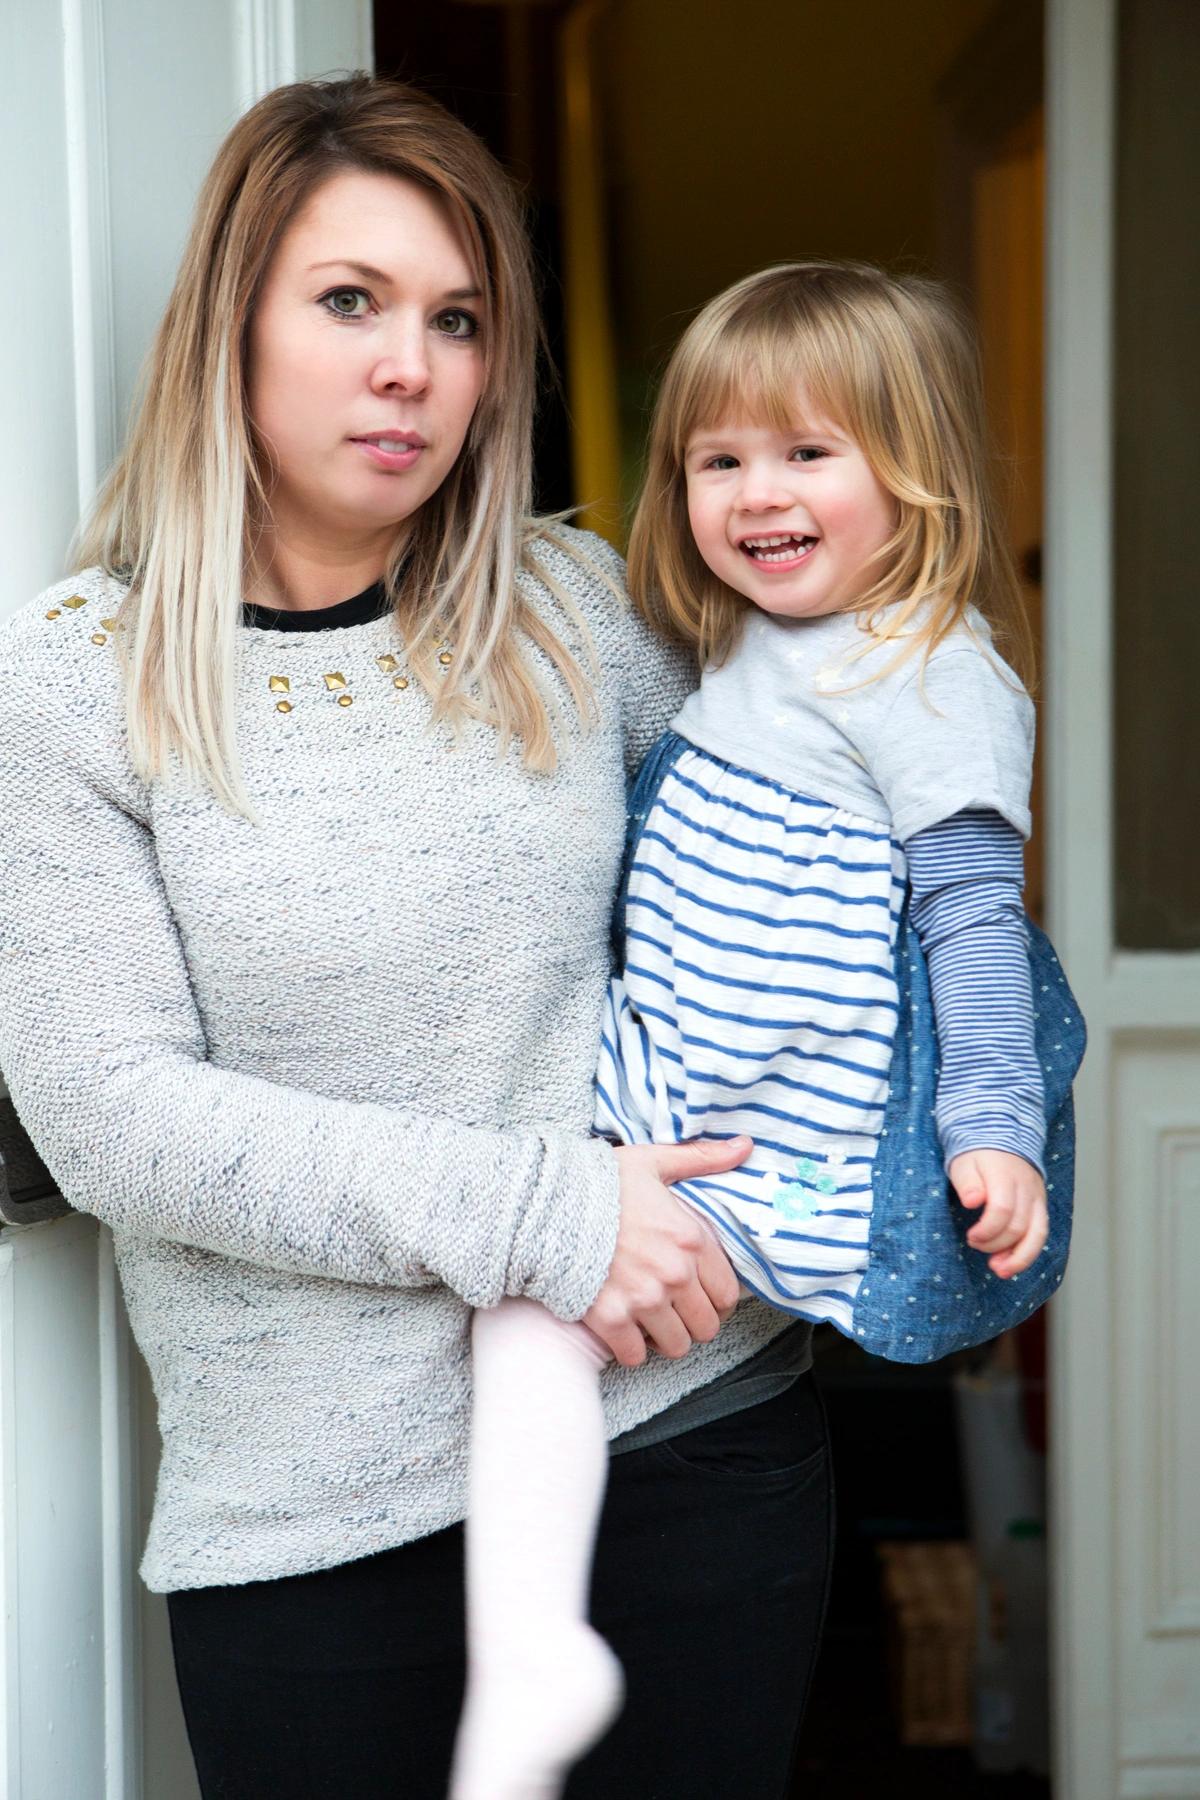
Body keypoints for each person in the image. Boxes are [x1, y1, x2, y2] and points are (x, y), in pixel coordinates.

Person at [0, 79, 835, 1800]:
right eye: (351, 302)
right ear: (227, 323)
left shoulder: (582, 614)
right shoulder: (78, 678)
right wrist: (545, 1211)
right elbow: (111, 1113)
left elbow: (797, 894)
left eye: (460, 320)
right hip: (310, 1509)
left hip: (679, 1422)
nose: (413, 367)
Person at [456, 261, 1079, 1799]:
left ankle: (530, 1648)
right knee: (519, 1286)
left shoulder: (933, 675)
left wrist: (993, 1128)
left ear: (914, 470)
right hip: (676, 1093)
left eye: (808, 453)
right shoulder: (745, 644)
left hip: (785, 1149)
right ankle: (531, 1642)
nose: (755, 493)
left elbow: (974, 924)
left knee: (534, 1313)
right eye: (718, 459)